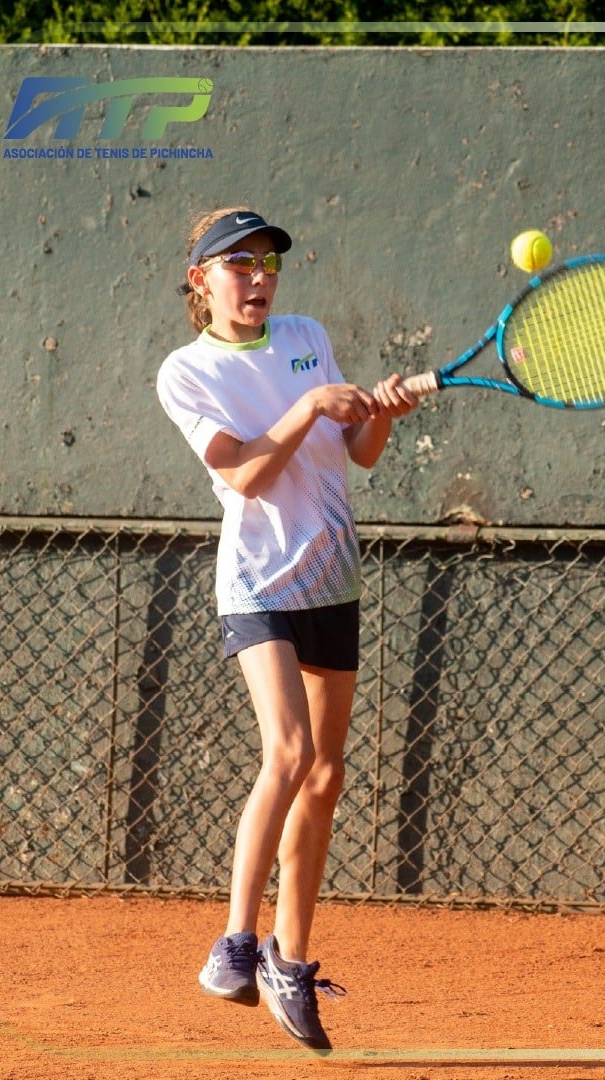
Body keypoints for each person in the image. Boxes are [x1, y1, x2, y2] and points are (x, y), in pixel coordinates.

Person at [156, 207, 417, 1052]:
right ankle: (235, 942)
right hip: (257, 584)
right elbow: (245, 474)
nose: (259, 278)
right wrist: (309, 404)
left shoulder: (306, 335)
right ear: (201, 280)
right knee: (291, 751)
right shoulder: (186, 372)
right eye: (239, 264)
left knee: (326, 776)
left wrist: (383, 411)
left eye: (268, 263)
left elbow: (360, 451)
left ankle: (289, 961)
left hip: (332, 577)